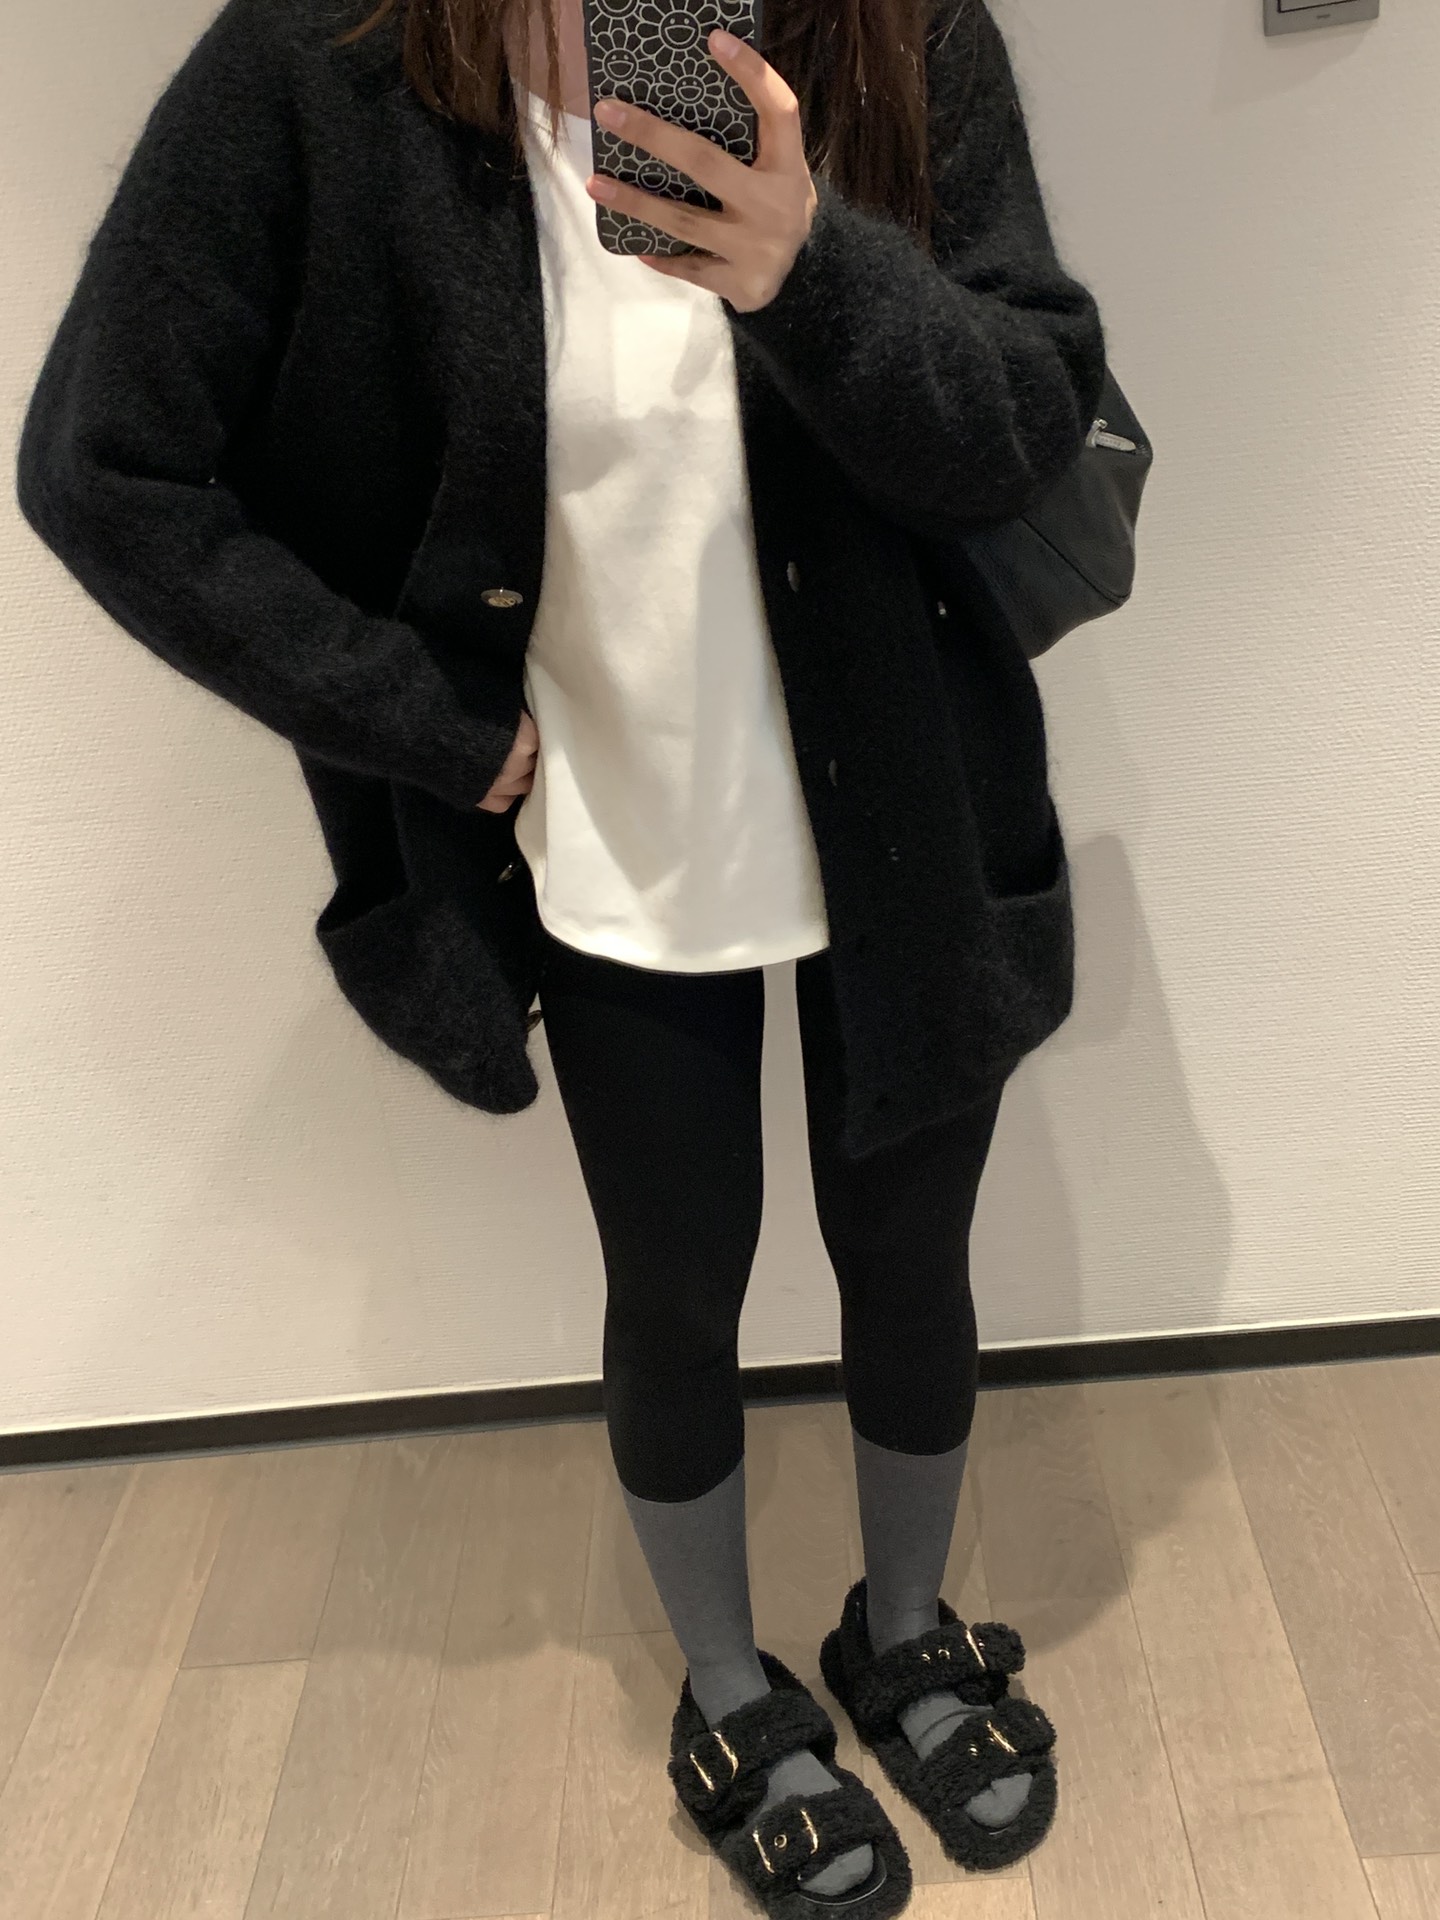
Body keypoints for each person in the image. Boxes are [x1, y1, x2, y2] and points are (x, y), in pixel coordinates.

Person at [16, 0, 1107, 1910]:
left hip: (911, 819)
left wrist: (807, 269)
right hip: (610, 839)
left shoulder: (898, 27)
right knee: (675, 1286)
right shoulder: (326, 62)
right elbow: (106, 464)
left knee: (911, 1255)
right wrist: (425, 726)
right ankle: (728, 1689)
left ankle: (907, 1632)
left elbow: (1032, 409)